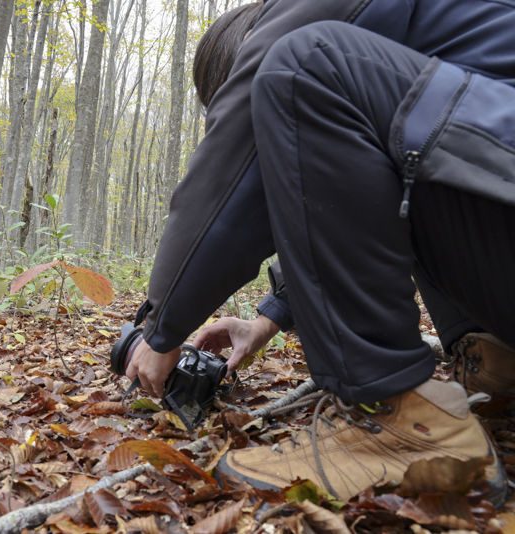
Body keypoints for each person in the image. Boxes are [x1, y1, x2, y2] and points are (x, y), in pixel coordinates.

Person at [123, 0, 515, 505]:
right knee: (407, 158)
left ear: (247, 45)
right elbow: (343, 189)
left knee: (306, 64)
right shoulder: (432, 38)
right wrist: (269, 318)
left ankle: (399, 420)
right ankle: (497, 359)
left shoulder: (300, 32)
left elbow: (242, 162)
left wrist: (160, 329)